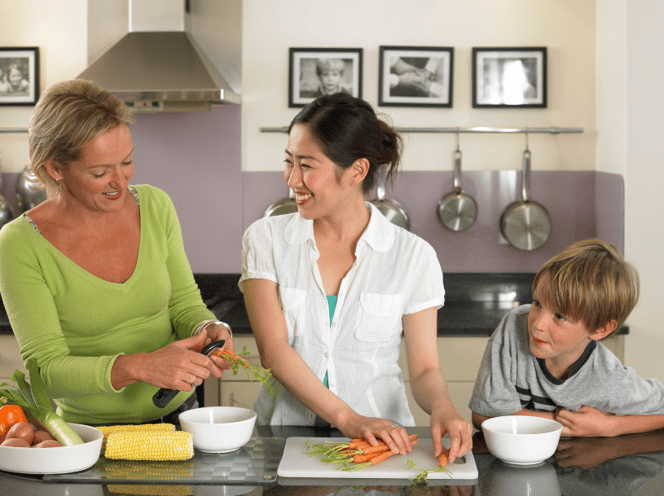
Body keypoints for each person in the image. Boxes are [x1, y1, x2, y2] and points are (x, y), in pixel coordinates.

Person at [240, 92, 472, 462]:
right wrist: (348, 418)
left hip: (383, 443)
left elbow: (425, 367)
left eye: (307, 165)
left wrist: (443, 405)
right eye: (288, 162)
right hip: (284, 438)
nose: (291, 179)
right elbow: (274, 350)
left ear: (357, 171)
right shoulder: (265, 239)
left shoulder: (413, 256)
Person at [0, 79, 234, 425]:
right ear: (54, 168)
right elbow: (45, 370)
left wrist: (209, 326)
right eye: (99, 172)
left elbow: (184, 304)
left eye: (127, 162)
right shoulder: (19, 244)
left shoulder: (156, 206)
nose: (120, 182)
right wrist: (139, 365)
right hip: (90, 433)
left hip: (180, 416)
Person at [470, 239, 664, 437]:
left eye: (560, 316)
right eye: (537, 303)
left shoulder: (609, 377)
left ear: (600, 329)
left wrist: (612, 426)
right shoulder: (514, 326)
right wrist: (562, 423)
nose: (538, 324)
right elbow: (482, 417)